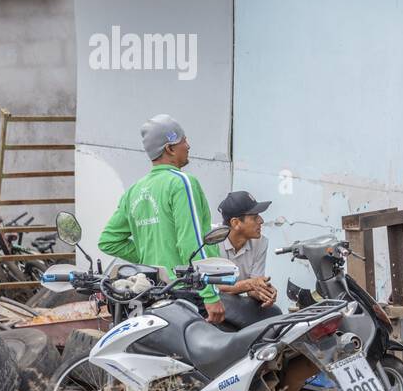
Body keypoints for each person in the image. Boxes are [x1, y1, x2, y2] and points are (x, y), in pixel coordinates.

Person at [97, 115, 225, 324]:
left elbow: (108, 240)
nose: (188, 145)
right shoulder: (182, 183)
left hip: (150, 293)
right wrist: (210, 295)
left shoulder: (134, 191)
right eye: (184, 140)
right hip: (185, 293)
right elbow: (190, 242)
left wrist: (151, 259)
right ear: (170, 148)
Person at [216, 190, 280, 320]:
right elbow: (210, 286)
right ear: (236, 223)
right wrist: (250, 284)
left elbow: (252, 287)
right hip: (211, 303)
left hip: (233, 302)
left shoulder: (260, 242)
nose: (261, 221)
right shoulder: (212, 240)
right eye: (255, 217)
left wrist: (263, 292)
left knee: (274, 313)